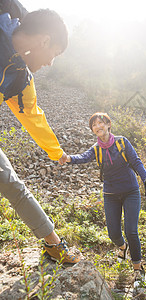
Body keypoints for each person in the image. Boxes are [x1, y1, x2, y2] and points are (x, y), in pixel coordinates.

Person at [0, 4, 80, 264]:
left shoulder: (21, 77)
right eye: (54, 54)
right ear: (44, 40)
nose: (49, 63)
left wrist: (58, 153)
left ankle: (52, 244)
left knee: (11, 183)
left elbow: (34, 117)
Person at [65, 112, 146, 289]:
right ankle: (123, 248)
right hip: (110, 194)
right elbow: (83, 157)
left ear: (108, 125)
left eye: (101, 123)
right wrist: (67, 158)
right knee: (113, 233)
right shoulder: (96, 149)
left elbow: (136, 162)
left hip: (131, 191)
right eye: (94, 125)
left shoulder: (122, 142)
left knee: (131, 231)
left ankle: (138, 270)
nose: (98, 127)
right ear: (92, 130)